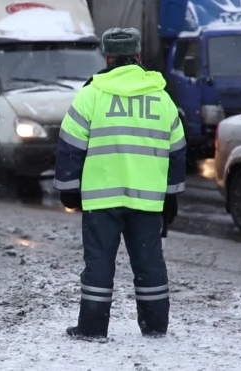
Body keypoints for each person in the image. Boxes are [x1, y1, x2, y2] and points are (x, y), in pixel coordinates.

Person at [53, 27, 186, 339]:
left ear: (107, 56)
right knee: (150, 263)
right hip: (148, 200)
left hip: (102, 200)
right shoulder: (161, 98)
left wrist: (69, 189)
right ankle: (155, 325)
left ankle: (92, 327)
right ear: (138, 55)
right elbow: (178, 152)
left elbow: (69, 147)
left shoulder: (90, 96)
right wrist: (171, 196)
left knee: (99, 265)